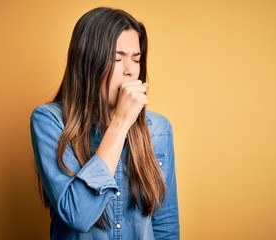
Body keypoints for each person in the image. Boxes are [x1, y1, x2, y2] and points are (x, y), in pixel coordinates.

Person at [30, 7, 179, 240]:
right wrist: (120, 122)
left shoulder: (159, 129)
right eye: (117, 58)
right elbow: (77, 215)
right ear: (88, 63)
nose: (130, 71)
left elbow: (165, 223)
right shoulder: (49, 121)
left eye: (136, 59)